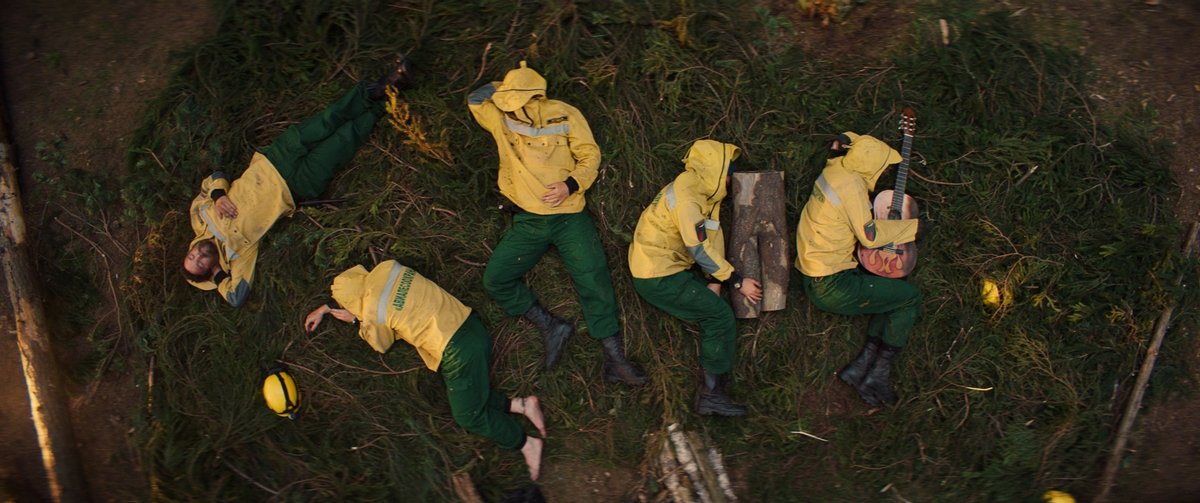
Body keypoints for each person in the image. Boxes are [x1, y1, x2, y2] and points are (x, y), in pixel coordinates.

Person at [466, 61, 645, 385]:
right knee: (496, 279)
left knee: (594, 277)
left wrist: (571, 184)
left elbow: (590, 154)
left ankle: (615, 359)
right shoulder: (500, 118)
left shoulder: (564, 113)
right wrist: (504, 87)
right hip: (529, 221)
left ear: (536, 96)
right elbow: (475, 99)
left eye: (518, 101)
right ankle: (551, 326)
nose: (515, 109)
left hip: (570, 215)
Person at [182, 55, 412, 306]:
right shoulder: (238, 255)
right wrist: (218, 277)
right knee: (345, 140)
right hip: (297, 186)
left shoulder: (199, 216)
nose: (197, 256)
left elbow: (213, 178)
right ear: (210, 268)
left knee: (328, 120)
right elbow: (237, 297)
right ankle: (391, 96)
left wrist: (218, 196)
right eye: (200, 264)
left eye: (191, 256)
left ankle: (383, 84)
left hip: (274, 160)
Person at [304, 260, 547, 480]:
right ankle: (522, 405)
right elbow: (362, 292)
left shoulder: (372, 314)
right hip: (468, 323)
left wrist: (357, 321)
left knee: (467, 415)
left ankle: (525, 443)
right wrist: (326, 308)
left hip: (456, 350)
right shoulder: (388, 268)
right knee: (471, 392)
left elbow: (381, 344)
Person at [627, 139, 764, 417]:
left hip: (665, 268)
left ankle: (713, 392)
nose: (730, 180)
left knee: (713, 306)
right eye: (729, 173)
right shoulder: (688, 197)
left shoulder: (702, 193)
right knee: (719, 317)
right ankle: (711, 396)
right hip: (656, 275)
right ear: (716, 169)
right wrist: (736, 281)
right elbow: (699, 248)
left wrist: (714, 281)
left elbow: (711, 238)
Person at [794, 132, 925, 406]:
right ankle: (878, 374)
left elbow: (847, 146)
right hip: (832, 284)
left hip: (815, 272)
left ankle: (859, 368)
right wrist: (913, 228)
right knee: (908, 297)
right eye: (884, 166)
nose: (886, 171)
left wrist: (845, 140)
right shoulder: (851, 187)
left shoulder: (835, 170)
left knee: (887, 293)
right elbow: (869, 236)